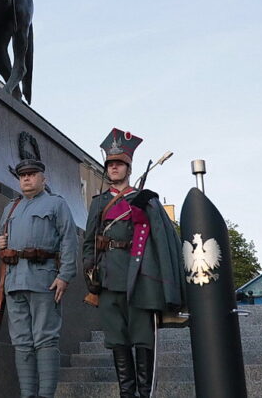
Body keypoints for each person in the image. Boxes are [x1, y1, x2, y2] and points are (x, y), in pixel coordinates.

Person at [81, 129, 186, 398]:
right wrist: (90, 273)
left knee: (142, 340)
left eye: (119, 164)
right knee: (117, 341)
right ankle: (126, 394)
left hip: (140, 279)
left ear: (128, 167)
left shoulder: (145, 199)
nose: (114, 168)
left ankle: (144, 394)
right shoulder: (99, 203)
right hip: (107, 280)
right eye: (110, 165)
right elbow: (89, 241)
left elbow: (162, 240)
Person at [0, 158, 78, 398]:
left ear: (43, 178)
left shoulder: (56, 204)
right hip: (14, 282)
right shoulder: (11, 207)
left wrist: (65, 276)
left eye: (32, 174)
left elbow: (69, 241)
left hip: (44, 279)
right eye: (23, 176)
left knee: (45, 339)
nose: (27, 178)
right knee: (21, 342)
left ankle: (45, 395)